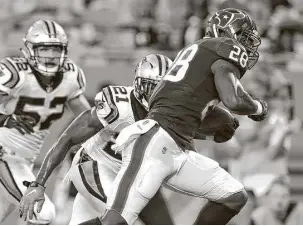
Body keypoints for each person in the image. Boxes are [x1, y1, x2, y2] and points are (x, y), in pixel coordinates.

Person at [77, 8, 267, 225]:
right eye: (243, 36)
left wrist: (213, 122)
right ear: (224, 33)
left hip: (177, 147)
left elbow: (184, 112)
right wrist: (259, 108)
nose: (246, 44)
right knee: (114, 222)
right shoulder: (223, 47)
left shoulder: (194, 54)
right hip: (155, 143)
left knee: (233, 197)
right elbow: (234, 100)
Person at [19, 49, 240, 224]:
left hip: (139, 173)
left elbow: (181, 154)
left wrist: (210, 133)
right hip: (98, 165)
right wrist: (38, 184)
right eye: (155, 88)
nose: (160, 95)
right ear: (140, 85)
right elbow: (67, 139)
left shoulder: (179, 112)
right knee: (119, 219)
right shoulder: (117, 105)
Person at [0, 19, 91, 225]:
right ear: (30, 49)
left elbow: (88, 119)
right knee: (42, 211)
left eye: (55, 49)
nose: (50, 56)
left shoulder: (71, 77)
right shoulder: (16, 73)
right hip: (1, 154)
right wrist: (5, 120)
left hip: (25, 161)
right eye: (43, 49)